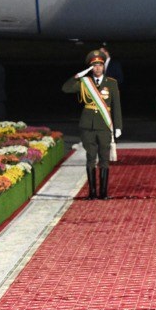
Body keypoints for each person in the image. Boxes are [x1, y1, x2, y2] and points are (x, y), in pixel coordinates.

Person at [61, 49, 121, 199]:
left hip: (104, 125)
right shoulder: (85, 83)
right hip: (88, 125)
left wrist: (118, 126)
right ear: (90, 68)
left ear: (104, 66)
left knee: (104, 159)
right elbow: (66, 88)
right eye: (94, 66)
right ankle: (92, 193)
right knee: (90, 158)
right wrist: (79, 75)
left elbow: (116, 106)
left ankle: (104, 193)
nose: (98, 68)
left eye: (100, 65)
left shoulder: (111, 83)